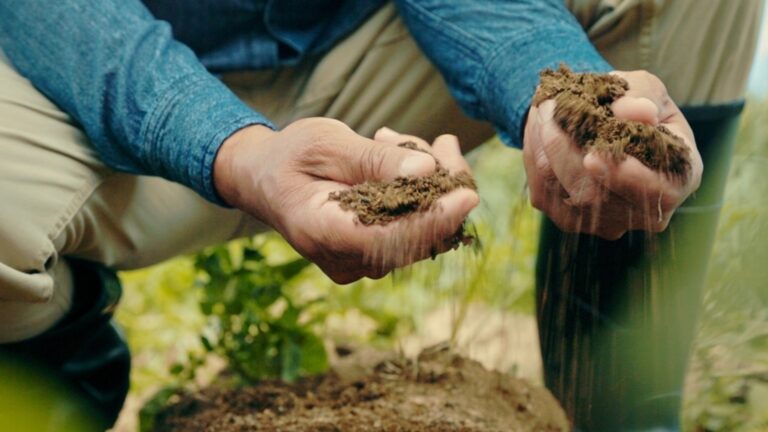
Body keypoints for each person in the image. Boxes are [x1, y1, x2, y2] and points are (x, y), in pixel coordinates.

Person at [0, 0, 762, 430]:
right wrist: (233, 149)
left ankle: (622, 417)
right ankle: (54, 380)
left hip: (366, 46)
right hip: (90, 84)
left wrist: (561, 94)